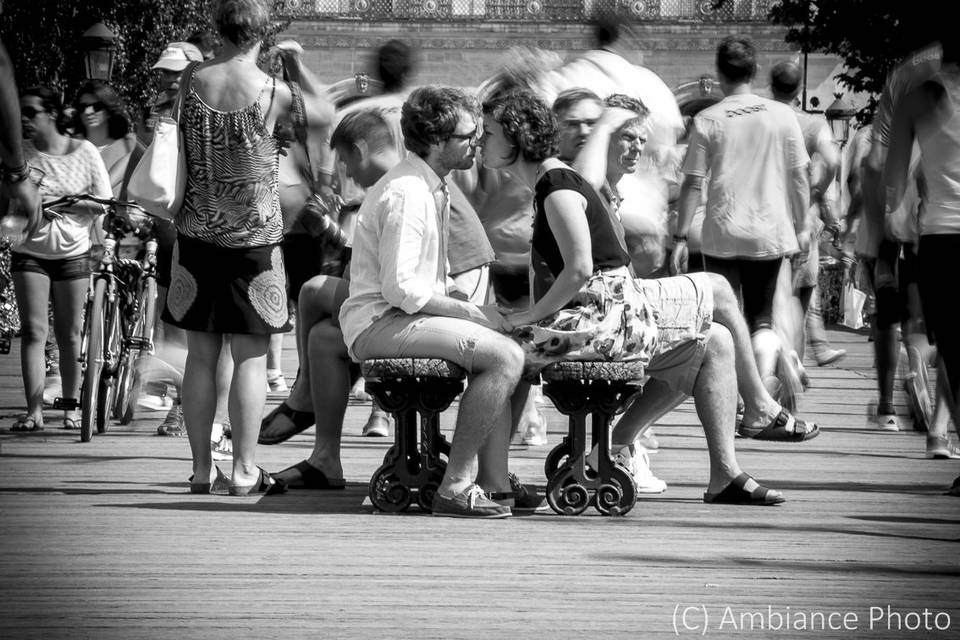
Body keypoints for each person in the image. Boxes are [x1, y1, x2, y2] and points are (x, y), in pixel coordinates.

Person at [483, 87, 806, 505]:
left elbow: (579, 269)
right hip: (619, 320)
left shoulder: (555, 184)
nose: (480, 141)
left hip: (602, 323)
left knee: (497, 353)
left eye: (489, 132)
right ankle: (725, 475)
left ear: (515, 136)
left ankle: (490, 481)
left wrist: (527, 316)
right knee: (716, 342)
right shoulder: (558, 179)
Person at [163, 0, 331, 495]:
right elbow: (324, 114)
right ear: (264, 34)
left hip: (196, 234)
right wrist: (295, 63)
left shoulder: (190, 79)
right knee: (252, 355)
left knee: (201, 356)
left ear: (218, 29)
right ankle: (242, 470)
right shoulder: (276, 92)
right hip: (255, 240)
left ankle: (199, 469)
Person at [338, 86, 527, 518]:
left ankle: (494, 485)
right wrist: (471, 311)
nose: (476, 142)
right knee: (504, 357)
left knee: (507, 343)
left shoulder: (428, 185)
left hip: (395, 317)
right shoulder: (408, 194)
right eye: (467, 135)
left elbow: (421, 283)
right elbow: (401, 289)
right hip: (379, 324)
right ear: (437, 141)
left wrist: (469, 305)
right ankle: (457, 486)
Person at [671, 37, 811, 406]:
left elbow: (692, 183)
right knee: (762, 319)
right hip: (769, 232)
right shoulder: (782, 116)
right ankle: (763, 383)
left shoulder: (708, 119)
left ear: (719, 74)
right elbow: (799, 176)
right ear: (755, 72)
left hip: (721, 233)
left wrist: (681, 236)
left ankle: (737, 398)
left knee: (726, 323)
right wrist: (803, 226)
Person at [10, 87, 112, 432]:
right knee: (34, 331)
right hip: (29, 251)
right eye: (20, 112)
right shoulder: (20, 153)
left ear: (51, 114)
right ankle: (34, 412)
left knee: (70, 335)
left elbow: (104, 200)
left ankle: (71, 408)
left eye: (31, 112)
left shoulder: (83, 151)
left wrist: (70, 203)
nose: (24, 119)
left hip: (72, 252)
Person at [885, 35, 960, 489]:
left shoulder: (921, 97)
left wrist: (899, 224)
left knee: (952, 351)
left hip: (942, 239)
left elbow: (896, 183)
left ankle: (943, 435)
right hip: (938, 236)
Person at [769, 60, 847, 368]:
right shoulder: (812, 124)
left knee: (763, 309)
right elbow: (834, 158)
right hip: (802, 221)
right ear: (798, 88)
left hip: (766, 219)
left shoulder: (763, 116)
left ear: (770, 86)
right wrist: (816, 189)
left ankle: (766, 379)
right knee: (798, 303)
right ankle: (792, 377)